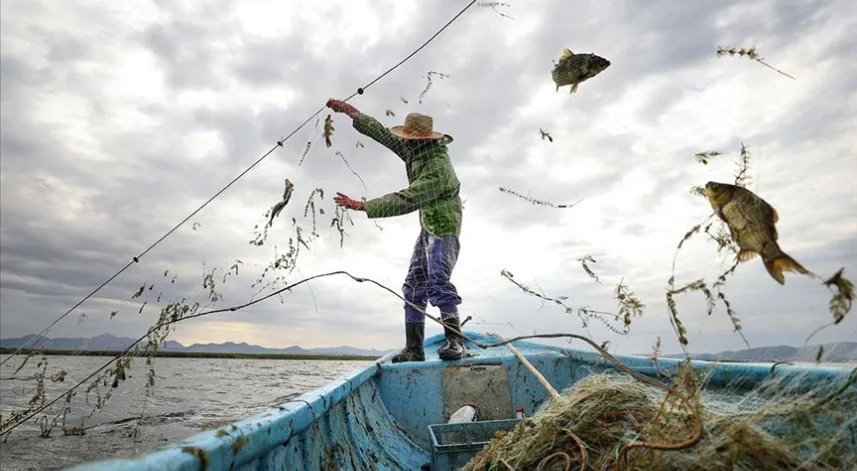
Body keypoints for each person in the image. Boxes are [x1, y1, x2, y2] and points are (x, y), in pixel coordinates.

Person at [325, 98, 465, 362]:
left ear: (424, 141)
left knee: (438, 280)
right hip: (427, 227)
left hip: (445, 227)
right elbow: (382, 134)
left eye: (411, 140)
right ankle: (414, 349)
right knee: (414, 284)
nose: (406, 143)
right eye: (406, 139)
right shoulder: (415, 150)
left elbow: (408, 199)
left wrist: (363, 205)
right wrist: (352, 113)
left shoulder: (438, 167)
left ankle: (456, 342)